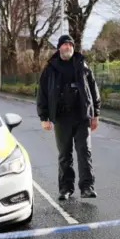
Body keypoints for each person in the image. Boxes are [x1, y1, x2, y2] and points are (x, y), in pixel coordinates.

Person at [36, 34, 101, 200]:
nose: (67, 47)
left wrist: (96, 114)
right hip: (61, 117)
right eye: (64, 45)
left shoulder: (82, 65)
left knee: (84, 152)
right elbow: (42, 94)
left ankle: (87, 187)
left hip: (82, 116)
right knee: (65, 155)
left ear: (73, 47)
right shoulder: (50, 69)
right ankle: (66, 189)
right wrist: (44, 117)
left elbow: (93, 90)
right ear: (59, 48)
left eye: (70, 45)